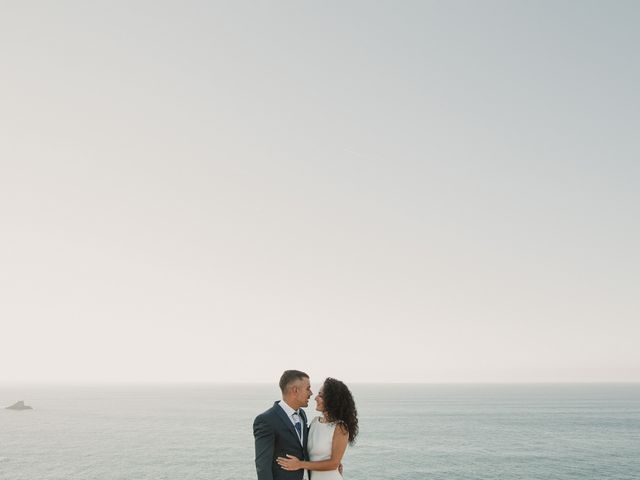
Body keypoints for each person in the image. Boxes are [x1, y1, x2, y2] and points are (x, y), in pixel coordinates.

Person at [276, 377, 358, 480]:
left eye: (321, 395)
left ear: (332, 400)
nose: (315, 398)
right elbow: (300, 443)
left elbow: (333, 464)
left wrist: (300, 464)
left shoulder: (340, 427)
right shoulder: (315, 422)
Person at [254, 370, 313, 480]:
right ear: (295, 390)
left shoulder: (302, 415)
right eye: (308, 389)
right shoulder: (266, 420)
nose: (311, 393)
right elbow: (262, 466)